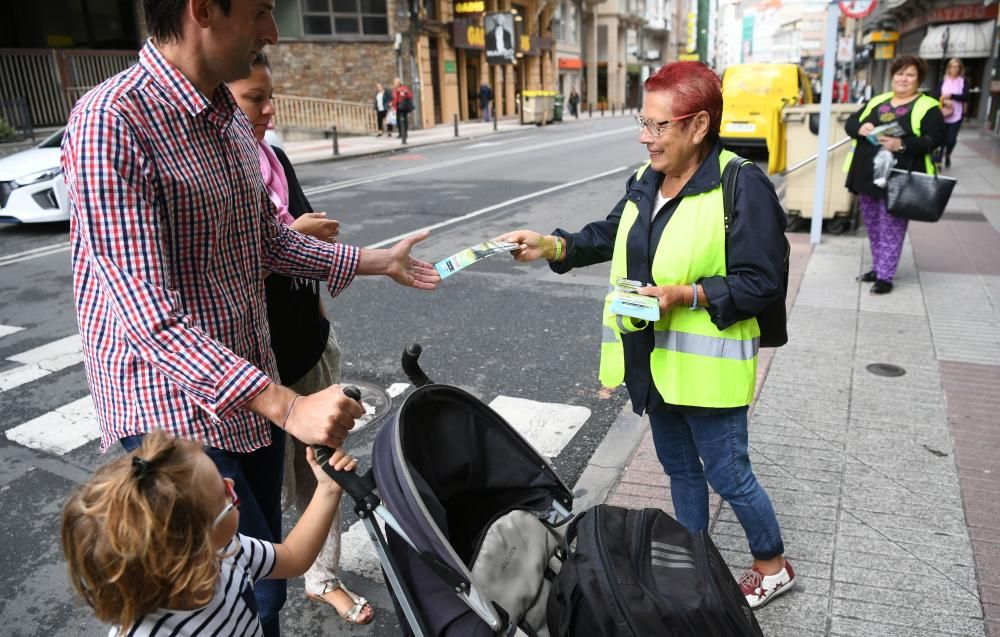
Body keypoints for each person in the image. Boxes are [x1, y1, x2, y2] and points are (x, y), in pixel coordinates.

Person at [59, 2, 439, 634]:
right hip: (174, 410)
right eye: (262, 12)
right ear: (203, 10)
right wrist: (289, 406)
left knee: (257, 569)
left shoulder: (226, 118)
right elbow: (148, 316)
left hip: (247, 385)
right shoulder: (110, 122)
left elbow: (268, 238)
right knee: (204, 587)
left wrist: (378, 261)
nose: (273, 32)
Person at [498, 61, 794, 610]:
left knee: (728, 475)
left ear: (699, 125)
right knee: (679, 470)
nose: (645, 136)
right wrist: (552, 245)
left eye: (658, 125)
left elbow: (762, 281)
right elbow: (612, 234)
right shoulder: (646, 178)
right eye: (644, 121)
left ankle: (772, 564)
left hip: (709, 369)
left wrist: (687, 294)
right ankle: (696, 564)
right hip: (654, 360)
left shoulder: (739, 183)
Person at [229, 51, 373, 625]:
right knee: (250, 507)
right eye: (253, 98)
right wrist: (290, 235)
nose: (268, 110)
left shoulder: (276, 159)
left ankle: (323, 577)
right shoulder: (215, 173)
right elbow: (224, 270)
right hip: (248, 373)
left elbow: (306, 245)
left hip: (306, 347)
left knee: (322, 474)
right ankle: (258, 599)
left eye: (270, 97)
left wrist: (318, 278)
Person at [61, 431, 359, 636]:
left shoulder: (227, 552)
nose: (231, 482)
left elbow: (294, 557)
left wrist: (328, 488)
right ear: (191, 544)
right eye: (224, 492)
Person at [844, 55, 944, 295]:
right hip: (868, 174)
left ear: (918, 79)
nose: (903, 79)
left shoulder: (928, 106)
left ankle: (885, 276)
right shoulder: (878, 101)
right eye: (900, 73)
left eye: (910, 75)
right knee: (873, 225)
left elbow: (934, 139)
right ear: (893, 76)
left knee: (892, 226)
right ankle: (878, 268)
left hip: (901, 177)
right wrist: (860, 127)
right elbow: (851, 122)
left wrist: (901, 144)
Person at [937, 57, 969, 168]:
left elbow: (966, 97)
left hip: (956, 115)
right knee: (940, 139)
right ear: (949, 68)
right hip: (943, 114)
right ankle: (938, 162)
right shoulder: (944, 80)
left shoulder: (963, 81)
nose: (954, 69)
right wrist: (944, 101)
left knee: (951, 140)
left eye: (957, 67)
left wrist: (952, 96)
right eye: (952, 66)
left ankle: (948, 154)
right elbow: (937, 95)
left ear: (960, 68)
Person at [392, 76, 413, 144]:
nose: (395, 83)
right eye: (394, 82)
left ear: (399, 83)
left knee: (404, 120)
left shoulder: (404, 88)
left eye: (396, 82)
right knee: (398, 120)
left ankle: (404, 134)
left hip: (403, 106)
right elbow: (394, 98)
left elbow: (410, 95)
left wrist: (404, 92)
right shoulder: (394, 90)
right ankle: (400, 133)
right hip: (397, 106)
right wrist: (392, 104)